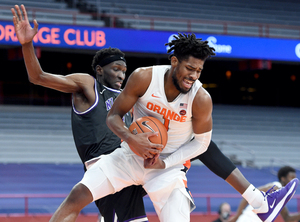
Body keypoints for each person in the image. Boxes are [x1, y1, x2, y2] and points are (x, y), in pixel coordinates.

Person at [12, 4, 299, 222]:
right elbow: (106, 115)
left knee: (201, 151)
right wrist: (27, 44)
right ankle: (259, 201)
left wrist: (164, 161)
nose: (194, 75)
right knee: (77, 196)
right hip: (124, 156)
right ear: (174, 62)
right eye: (189, 68)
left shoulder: (200, 97)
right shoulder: (129, 81)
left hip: (166, 166)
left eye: (199, 71)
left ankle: (259, 202)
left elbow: (201, 145)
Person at [11, 4, 148, 222]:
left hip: (127, 163)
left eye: (124, 70)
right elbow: (38, 77)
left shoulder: (128, 101)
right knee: (77, 207)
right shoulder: (89, 85)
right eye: (116, 69)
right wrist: (27, 44)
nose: (122, 74)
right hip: (103, 164)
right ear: (100, 70)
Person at [229, 166, 300, 222]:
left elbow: (287, 218)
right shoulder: (275, 187)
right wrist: (237, 215)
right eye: (292, 177)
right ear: (283, 178)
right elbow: (247, 195)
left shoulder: (281, 196)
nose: (295, 181)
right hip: (248, 219)